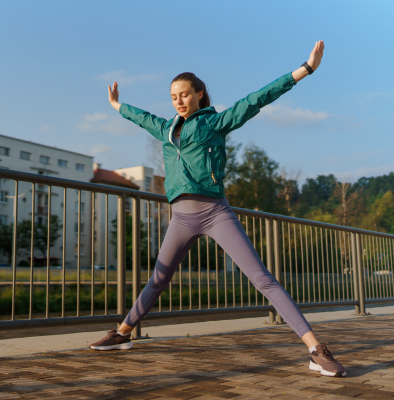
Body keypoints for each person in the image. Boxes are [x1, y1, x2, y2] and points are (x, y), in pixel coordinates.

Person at [89, 41, 346, 378]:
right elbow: (143, 118)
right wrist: (117, 105)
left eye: (184, 94)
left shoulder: (215, 123)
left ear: (199, 94)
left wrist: (306, 69)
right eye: (173, 97)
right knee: (158, 278)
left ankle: (315, 349)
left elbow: (258, 98)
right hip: (181, 217)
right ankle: (122, 334)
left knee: (262, 278)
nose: (178, 101)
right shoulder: (166, 130)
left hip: (214, 213)